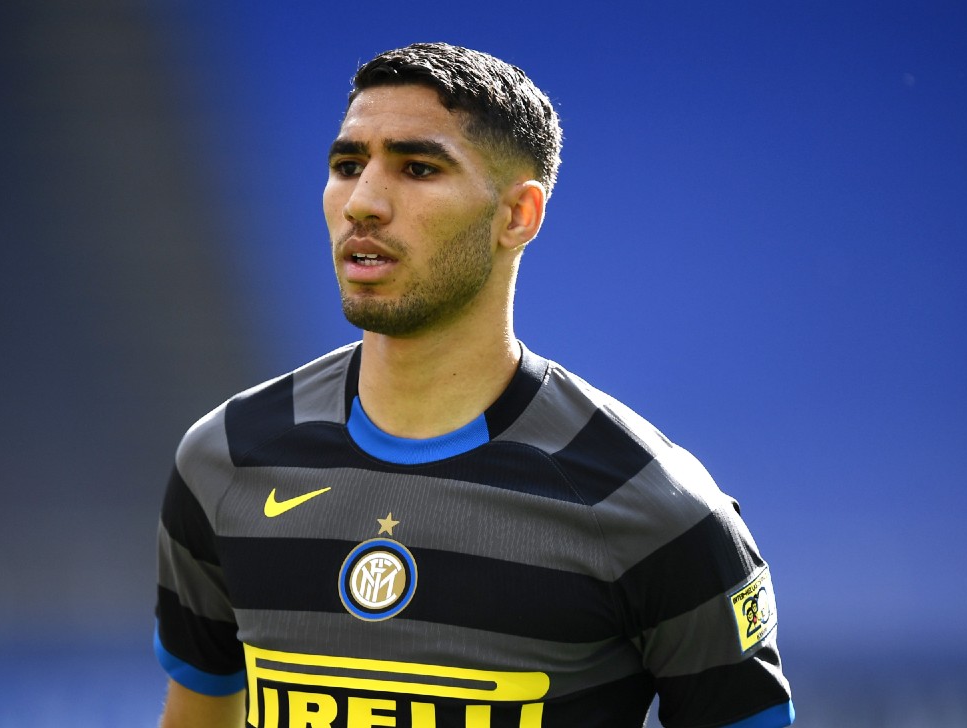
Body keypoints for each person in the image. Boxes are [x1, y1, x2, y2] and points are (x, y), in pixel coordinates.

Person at [155, 42, 794, 728]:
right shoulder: (226, 458)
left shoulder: (654, 509)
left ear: (518, 215)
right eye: (347, 166)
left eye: (418, 168)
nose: (362, 202)